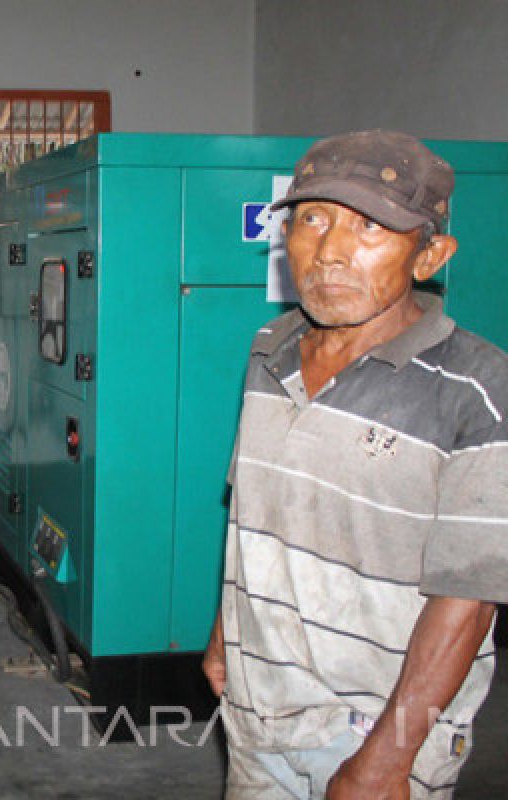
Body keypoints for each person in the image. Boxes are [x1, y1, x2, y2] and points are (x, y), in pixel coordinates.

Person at [203, 129, 508, 799]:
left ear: (429, 255)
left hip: (376, 723)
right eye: (313, 219)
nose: (331, 251)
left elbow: (469, 599)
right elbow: (252, 508)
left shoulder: (480, 388)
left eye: (371, 227)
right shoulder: (270, 347)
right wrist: (227, 638)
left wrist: (387, 761)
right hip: (260, 708)